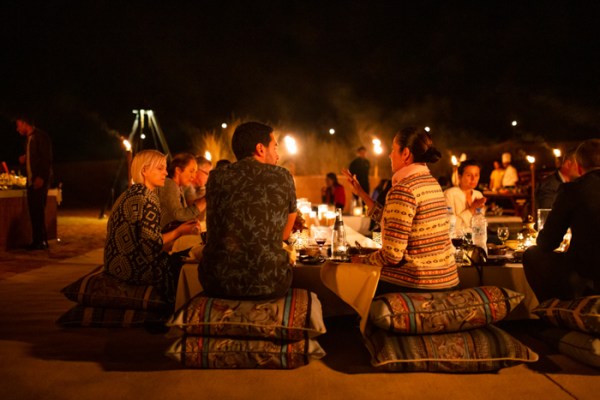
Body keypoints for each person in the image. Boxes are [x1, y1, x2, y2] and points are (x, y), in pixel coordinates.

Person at [343, 127, 458, 292]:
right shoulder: (431, 183)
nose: (390, 155)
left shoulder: (404, 189)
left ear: (406, 154)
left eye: (393, 149)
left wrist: (361, 260)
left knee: (348, 278)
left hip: (420, 281)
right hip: (447, 277)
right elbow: (394, 222)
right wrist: (361, 193)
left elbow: (392, 256)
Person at [199, 122, 297, 299]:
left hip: (215, 281)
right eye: (274, 147)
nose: (277, 154)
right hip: (269, 282)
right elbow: (283, 235)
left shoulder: (215, 177)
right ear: (260, 149)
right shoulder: (283, 176)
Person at [104, 150, 199, 310]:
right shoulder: (146, 198)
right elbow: (152, 245)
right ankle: (178, 312)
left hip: (113, 263)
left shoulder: (130, 193)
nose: (166, 172)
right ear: (144, 171)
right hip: (129, 267)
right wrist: (179, 232)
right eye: (160, 168)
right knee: (185, 266)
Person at [523, 139, 600, 302]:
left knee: (532, 255)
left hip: (588, 272)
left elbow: (548, 242)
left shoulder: (574, 189)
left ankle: (556, 309)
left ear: (579, 168)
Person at [16, 116, 53, 250]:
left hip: (39, 180)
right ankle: (37, 240)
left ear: (26, 124)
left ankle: (41, 241)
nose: (17, 129)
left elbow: (46, 158)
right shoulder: (28, 140)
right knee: (34, 211)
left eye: (19, 125)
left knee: (38, 210)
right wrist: (24, 159)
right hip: (31, 180)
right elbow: (34, 157)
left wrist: (41, 177)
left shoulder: (41, 137)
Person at [157, 153, 205, 231]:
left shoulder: (178, 187)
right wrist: (205, 200)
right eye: (191, 171)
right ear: (178, 170)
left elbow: (184, 216)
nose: (194, 176)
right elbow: (178, 215)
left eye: (195, 172)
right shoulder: (169, 184)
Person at [444, 159, 487, 230]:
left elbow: (480, 224)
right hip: (456, 239)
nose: (473, 179)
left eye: (476, 175)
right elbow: (450, 226)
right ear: (460, 176)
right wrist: (471, 210)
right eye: (469, 175)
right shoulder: (449, 194)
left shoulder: (478, 195)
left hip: (476, 237)